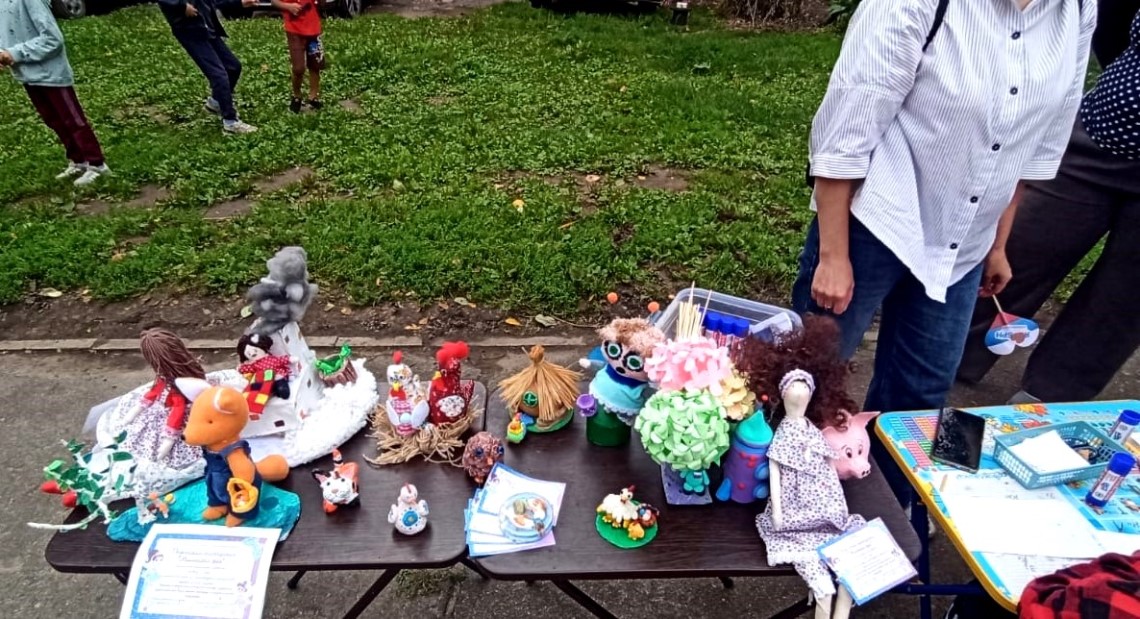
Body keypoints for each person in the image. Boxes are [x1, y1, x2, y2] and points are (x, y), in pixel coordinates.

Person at [792, 0, 1095, 504]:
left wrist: (997, 243)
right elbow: (845, 132)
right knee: (809, 377)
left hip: (966, 242)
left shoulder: (1079, 10)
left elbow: (1036, 145)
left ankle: (888, 507)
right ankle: (780, 496)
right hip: (876, 218)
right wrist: (833, 255)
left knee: (924, 391)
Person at [957, 0, 1140, 404]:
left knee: (1124, 298)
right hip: (1103, 133)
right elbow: (1112, 23)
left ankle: (1048, 398)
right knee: (1021, 247)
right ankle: (949, 359)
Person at [0, 0, 109, 186]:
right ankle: (78, 160)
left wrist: (14, 53)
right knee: (54, 120)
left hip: (52, 74)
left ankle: (97, 163)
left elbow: (53, 39)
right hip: (27, 75)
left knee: (73, 120)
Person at [158, 0, 259, 135]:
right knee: (219, 75)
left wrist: (239, 3)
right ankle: (230, 122)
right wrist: (182, 6)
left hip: (206, 27)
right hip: (189, 29)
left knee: (233, 67)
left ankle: (216, 102)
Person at [270, 0, 325, 113]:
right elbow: (274, 1)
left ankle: (313, 96)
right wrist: (288, 6)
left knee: (316, 64)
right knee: (298, 68)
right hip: (294, 29)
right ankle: (297, 95)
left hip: (313, 27)